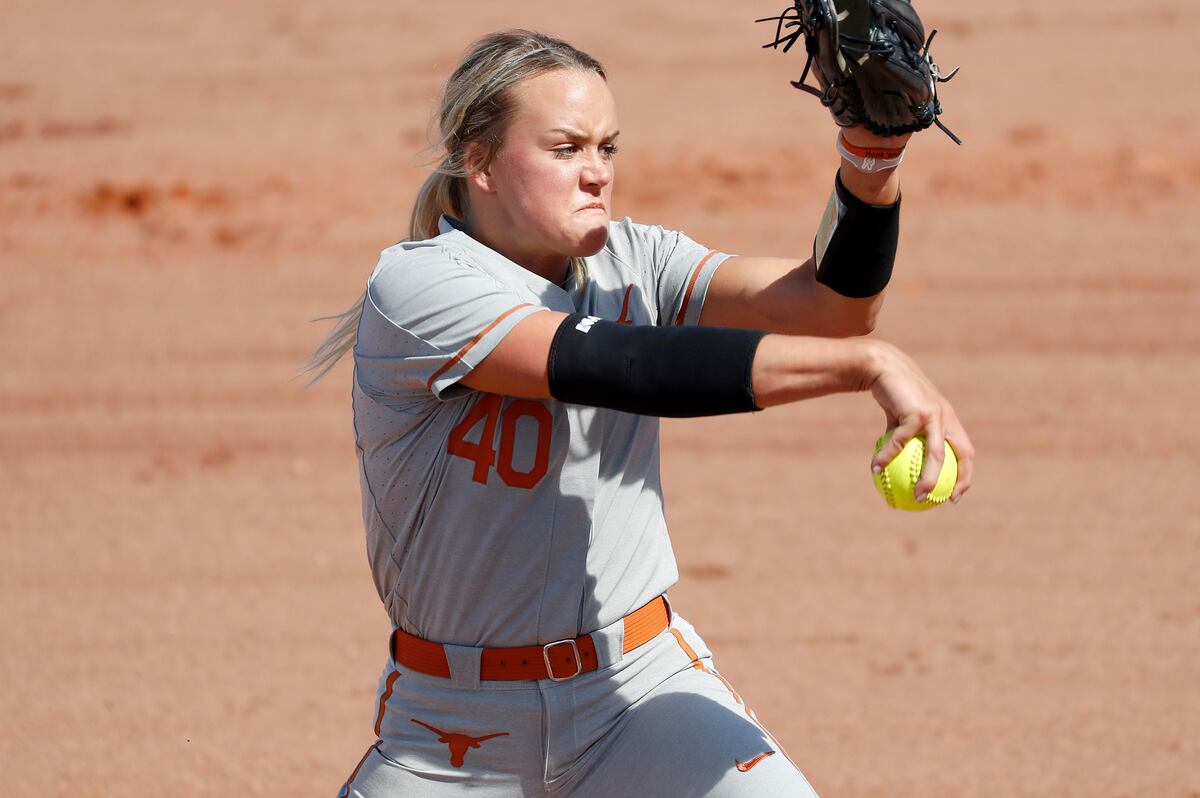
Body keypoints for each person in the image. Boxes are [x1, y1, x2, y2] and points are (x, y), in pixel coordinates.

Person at [306, 28, 973, 798]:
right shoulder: (420, 286)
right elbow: (621, 365)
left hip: (639, 696)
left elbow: (829, 307)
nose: (596, 172)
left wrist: (871, 161)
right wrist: (868, 366)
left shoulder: (637, 260)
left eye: (607, 148)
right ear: (479, 161)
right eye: (565, 149)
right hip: (453, 728)